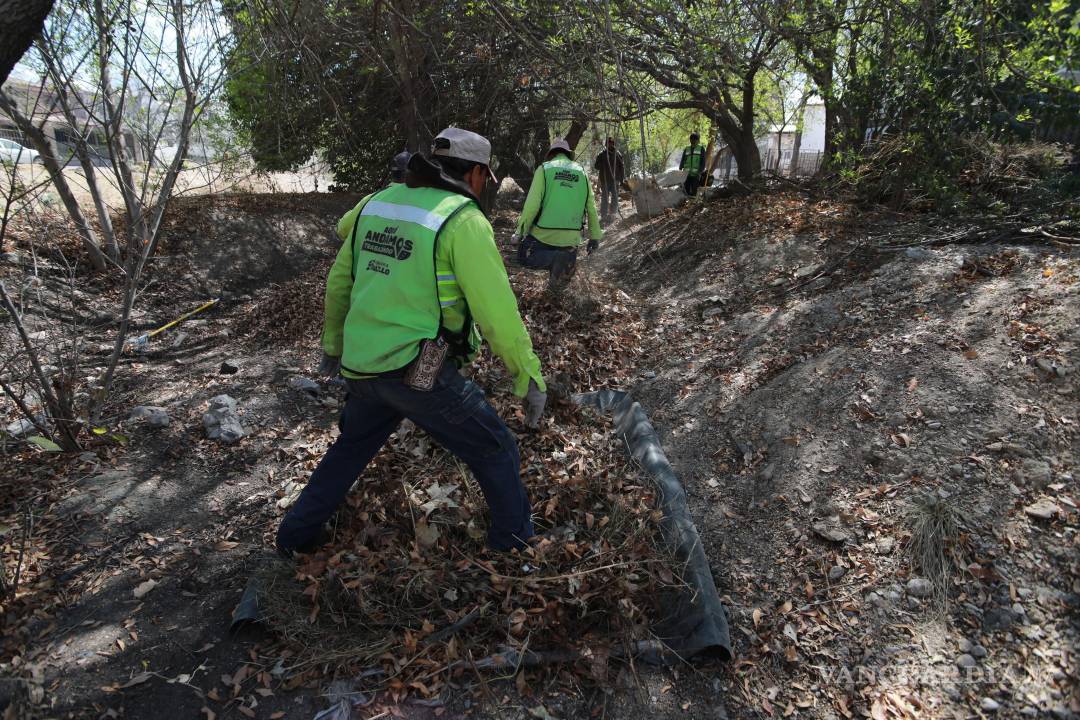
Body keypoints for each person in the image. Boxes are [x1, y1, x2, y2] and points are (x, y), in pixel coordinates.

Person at [278, 127, 547, 557]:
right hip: (416, 366)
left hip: (363, 363)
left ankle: (293, 537)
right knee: (496, 447)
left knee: (351, 447)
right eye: (486, 178)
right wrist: (527, 375)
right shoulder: (462, 218)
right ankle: (514, 545)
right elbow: (498, 313)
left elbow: (339, 282)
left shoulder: (375, 203)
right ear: (477, 173)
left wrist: (332, 346)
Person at [514, 139, 603, 288]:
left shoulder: (544, 169)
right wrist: (594, 237)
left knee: (523, 257)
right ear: (568, 154)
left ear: (551, 154)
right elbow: (591, 207)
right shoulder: (582, 172)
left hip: (543, 236)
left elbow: (532, 206)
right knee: (559, 287)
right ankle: (561, 267)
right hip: (571, 240)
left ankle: (555, 259)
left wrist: (520, 232)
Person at [594, 137, 625, 223]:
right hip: (605, 180)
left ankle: (613, 214)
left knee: (615, 197)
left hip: (615, 180)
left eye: (611, 143)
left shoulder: (617, 154)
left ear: (613, 144)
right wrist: (603, 163)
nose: (609, 145)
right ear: (606, 145)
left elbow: (622, 167)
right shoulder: (602, 154)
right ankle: (604, 215)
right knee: (605, 197)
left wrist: (622, 179)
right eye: (608, 143)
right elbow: (596, 166)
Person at [679, 132, 707, 197]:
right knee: (686, 190)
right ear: (690, 140)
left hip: (696, 174)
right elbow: (683, 159)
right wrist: (680, 168)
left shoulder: (701, 148)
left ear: (698, 140)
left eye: (695, 139)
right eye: (691, 139)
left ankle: (693, 204)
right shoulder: (687, 148)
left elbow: (703, 162)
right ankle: (686, 204)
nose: (693, 140)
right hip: (686, 174)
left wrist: (700, 171)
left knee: (694, 191)